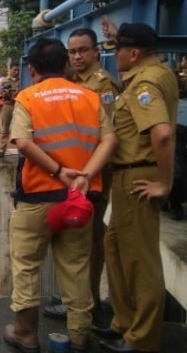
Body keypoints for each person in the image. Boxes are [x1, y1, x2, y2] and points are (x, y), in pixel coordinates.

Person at [4, 37, 116, 353]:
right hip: (78, 200)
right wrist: (85, 175)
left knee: (26, 266)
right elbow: (109, 140)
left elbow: (23, 143)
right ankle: (80, 337)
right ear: (65, 65)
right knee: (77, 268)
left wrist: (57, 171)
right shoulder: (90, 97)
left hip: (37, 199)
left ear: (31, 68)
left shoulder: (27, 97)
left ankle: (25, 334)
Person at [95, 23, 178, 353]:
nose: (114, 56)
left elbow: (162, 134)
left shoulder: (145, 83)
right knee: (115, 247)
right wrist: (118, 33)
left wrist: (164, 184)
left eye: (117, 50)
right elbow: (118, 107)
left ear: (134, 53)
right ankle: (125, 325)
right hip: (127, 175)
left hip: (138, 177)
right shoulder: (155, 73)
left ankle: (142, 339)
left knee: (139, 261)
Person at [43, 28, 120, 324]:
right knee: (73, 235)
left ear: (96, 51)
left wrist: (89, 173)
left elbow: (108, 135)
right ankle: (77, 298)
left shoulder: (102, 86)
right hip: (73, 172)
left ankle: (84, 302)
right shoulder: (72, 83)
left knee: (89, 237)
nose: (76, 56)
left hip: (93, 172)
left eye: (82, 50)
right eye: (72, 52)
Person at [0, 63, 20, 159]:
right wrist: (5, 94)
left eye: (18, 70)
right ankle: (2, 149)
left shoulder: (22, 80)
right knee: (5, 128)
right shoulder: (4, 81)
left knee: (20, 128)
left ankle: (21, 149)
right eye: (15, 70)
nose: (16, 72)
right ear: (10, 69)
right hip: (8, 105)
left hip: (18, 105)